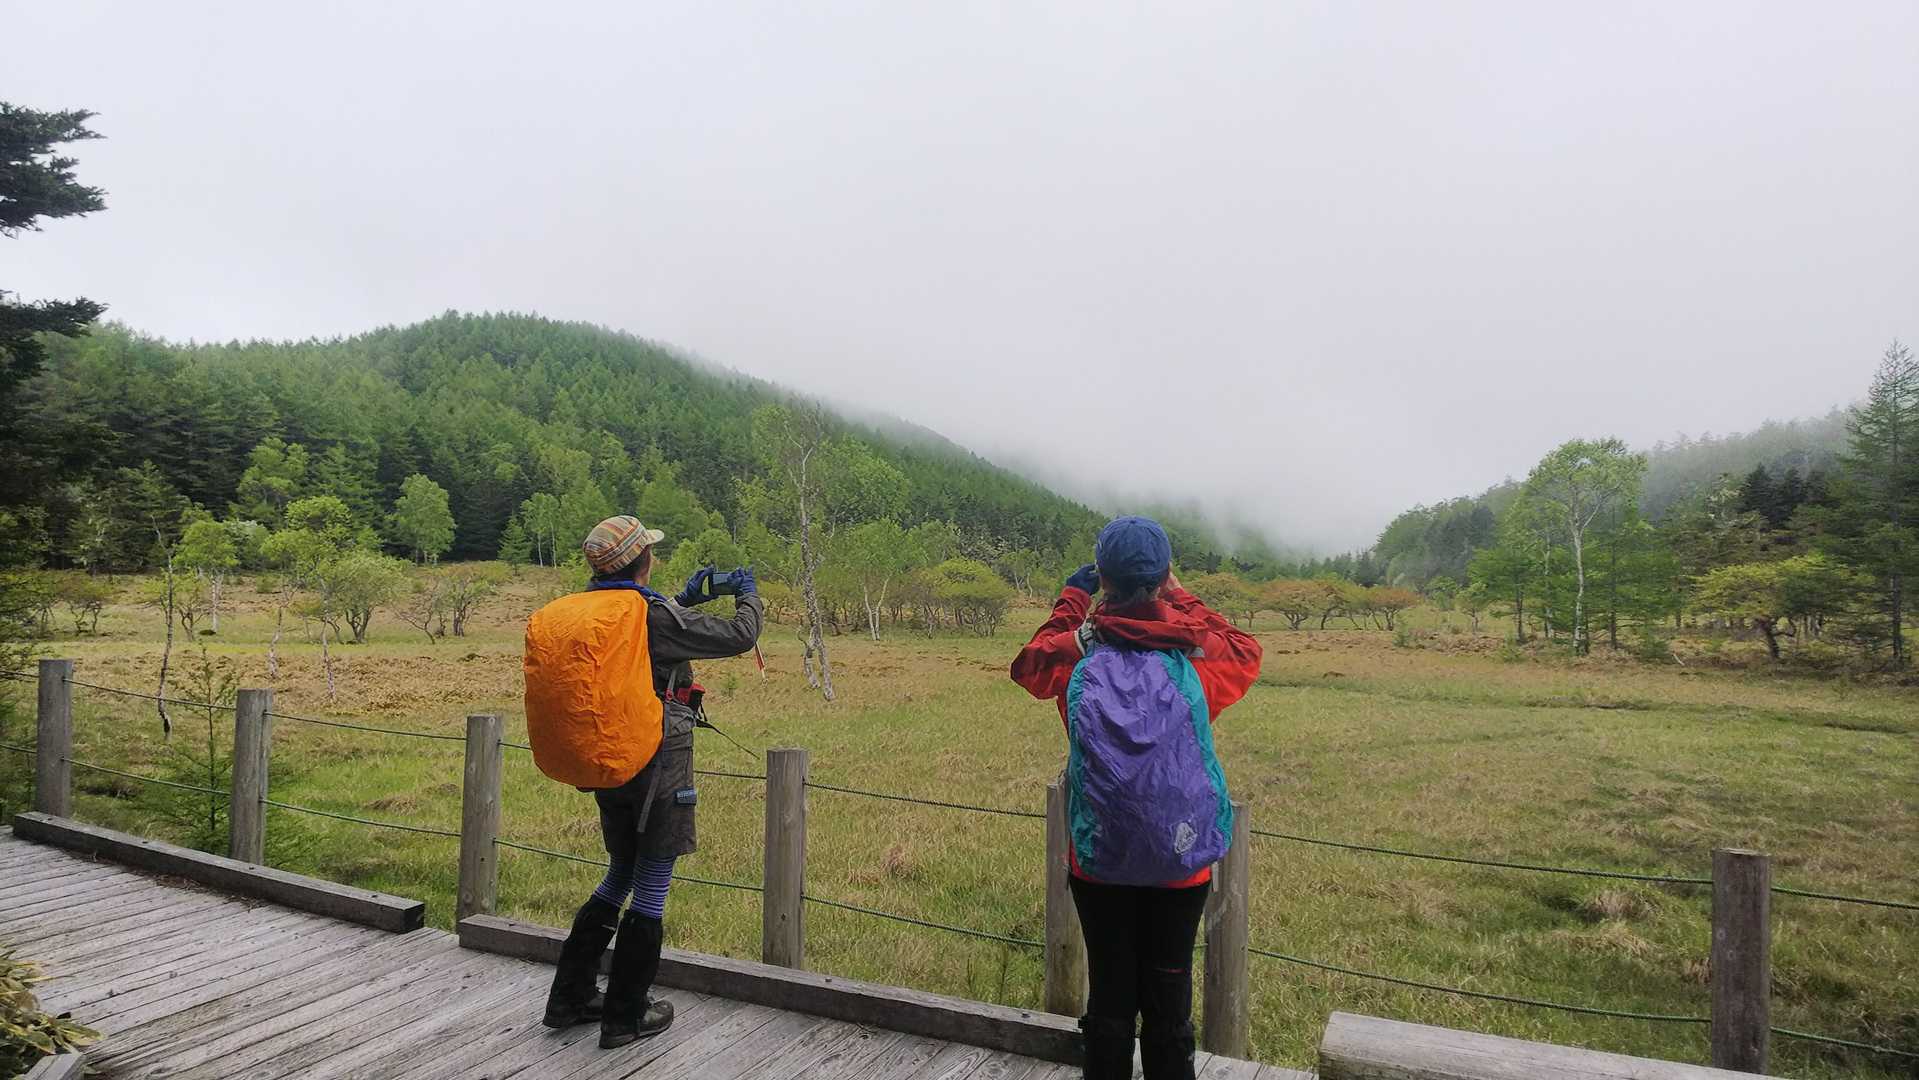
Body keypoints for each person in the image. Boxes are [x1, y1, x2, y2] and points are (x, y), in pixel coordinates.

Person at [1010, 516, 1262, 1080]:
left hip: (1100, 860)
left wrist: (1072, 600)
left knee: (1110, 996)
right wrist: (1181, 596)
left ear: (1103, 578)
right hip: (1181, 862)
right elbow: (1246, 651)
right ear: (1163, 576)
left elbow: (1028, 665)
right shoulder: (1197, 655)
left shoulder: (1078, 653)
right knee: (1170, 1001)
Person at [528, 515, 762, 1049]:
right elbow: (740, 635)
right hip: (658, 760)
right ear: (644, 560)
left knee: (620, 872)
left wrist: (685, 599)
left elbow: (645, 634)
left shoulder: (601, 610)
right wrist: (748, 594)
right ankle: (626, 1015)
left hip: (609, 759)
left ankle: (569, 999)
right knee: (654, 878)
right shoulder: (650, 615)